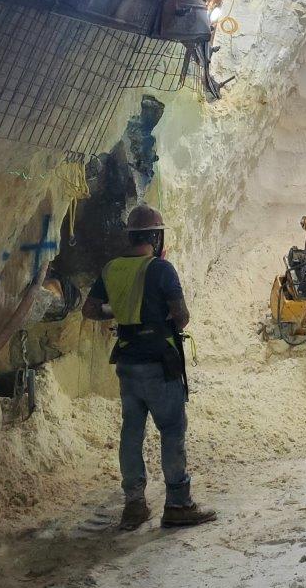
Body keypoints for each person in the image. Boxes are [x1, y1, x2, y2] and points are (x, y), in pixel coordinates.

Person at [82, 204, 216, 530]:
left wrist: (122, 311)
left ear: (130, 236)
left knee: (131, 431)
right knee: (171, 431)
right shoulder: (161, 269)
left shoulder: (112, 269)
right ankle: (178, 504)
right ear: (156, 237)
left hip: (127, 362)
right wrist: (160, 314)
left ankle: (134, 504)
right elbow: (181, 316)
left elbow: (90, 309)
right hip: (160, 362)